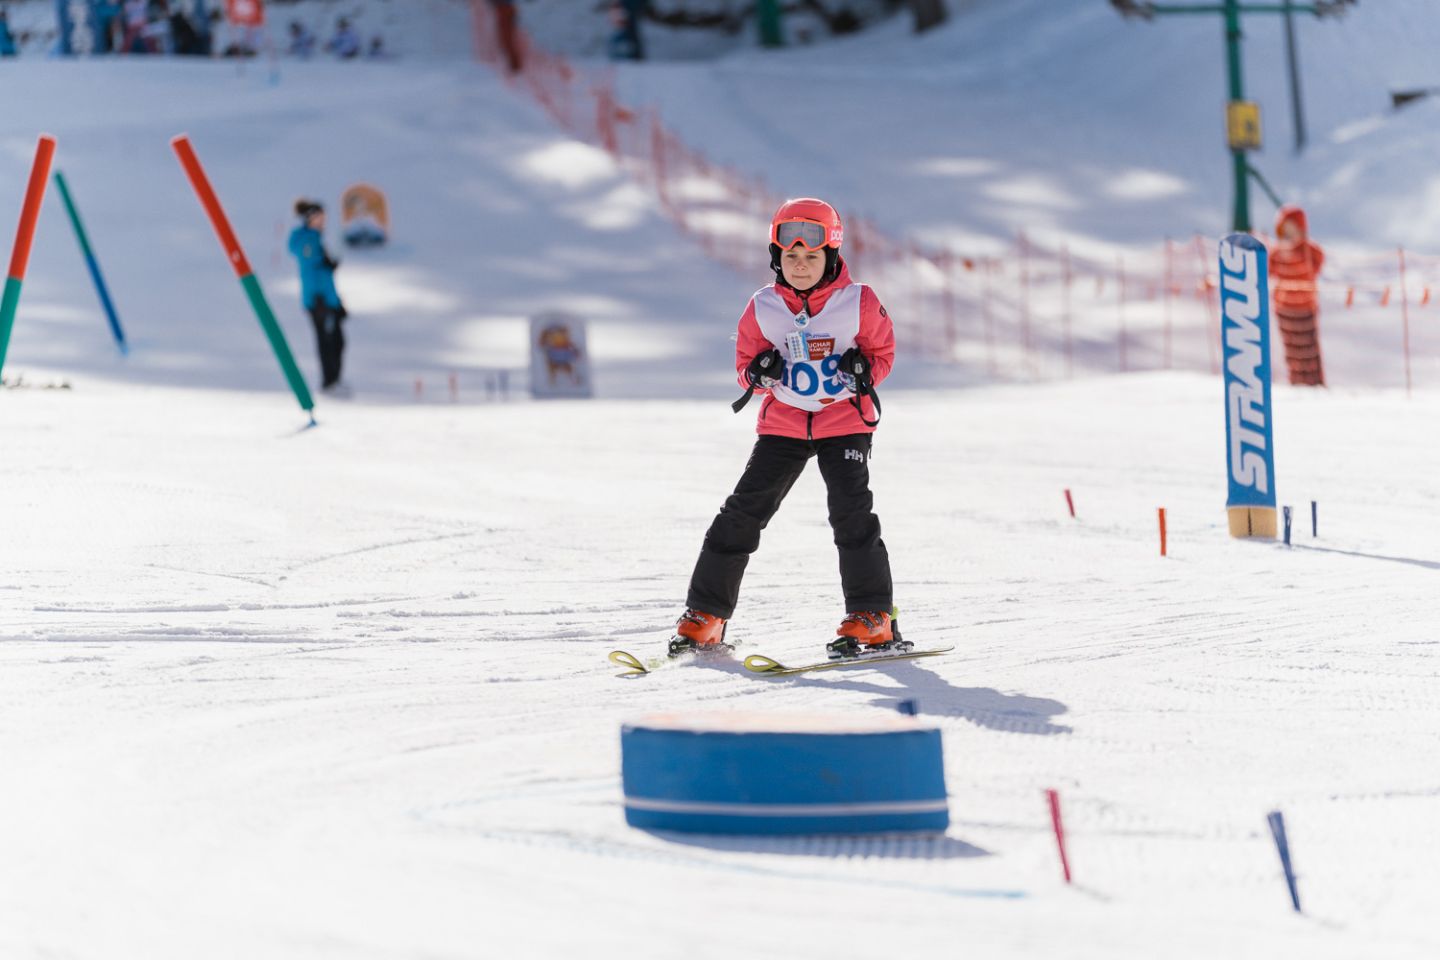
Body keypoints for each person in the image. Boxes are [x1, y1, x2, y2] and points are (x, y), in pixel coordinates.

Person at [670, 198, 898, 660]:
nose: (800, 265)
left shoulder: (859, 301)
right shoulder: (764, 306)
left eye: (811, 256)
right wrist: (759, 371)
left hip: (843, 421)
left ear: (831, 256)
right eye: (791, 256)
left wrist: (863, 369)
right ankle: (706, 615)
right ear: (777, 256)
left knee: (851, 514)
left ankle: (873, 616)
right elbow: (744, 369)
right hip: (784, 424)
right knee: (741, 514)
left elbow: (883, 353)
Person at [288, 200, 350, 394]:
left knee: (337, 341)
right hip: (318, 301)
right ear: (310, 218)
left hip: (328, 300)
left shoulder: (316, 239)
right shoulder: (307, 241)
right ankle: (329, 382)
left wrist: (336, 303)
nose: (323, 221)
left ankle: (334, 380)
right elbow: (311, 272)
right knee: (328, 341)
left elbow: (323, 274)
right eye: (319, 217)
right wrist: (319, 299)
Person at [1270, 205, 1326, 386]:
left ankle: (1314, 383)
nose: (1289, 234)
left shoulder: (1309, 251)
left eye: (1292, 229)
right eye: (1285, 229)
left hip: (1305, 307)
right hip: (1284, 308)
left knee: (1309, 349)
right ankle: (1295, 381)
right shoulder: (1276, 253)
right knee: (1291, 349)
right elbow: (1268, 270)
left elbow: (1318, 263)